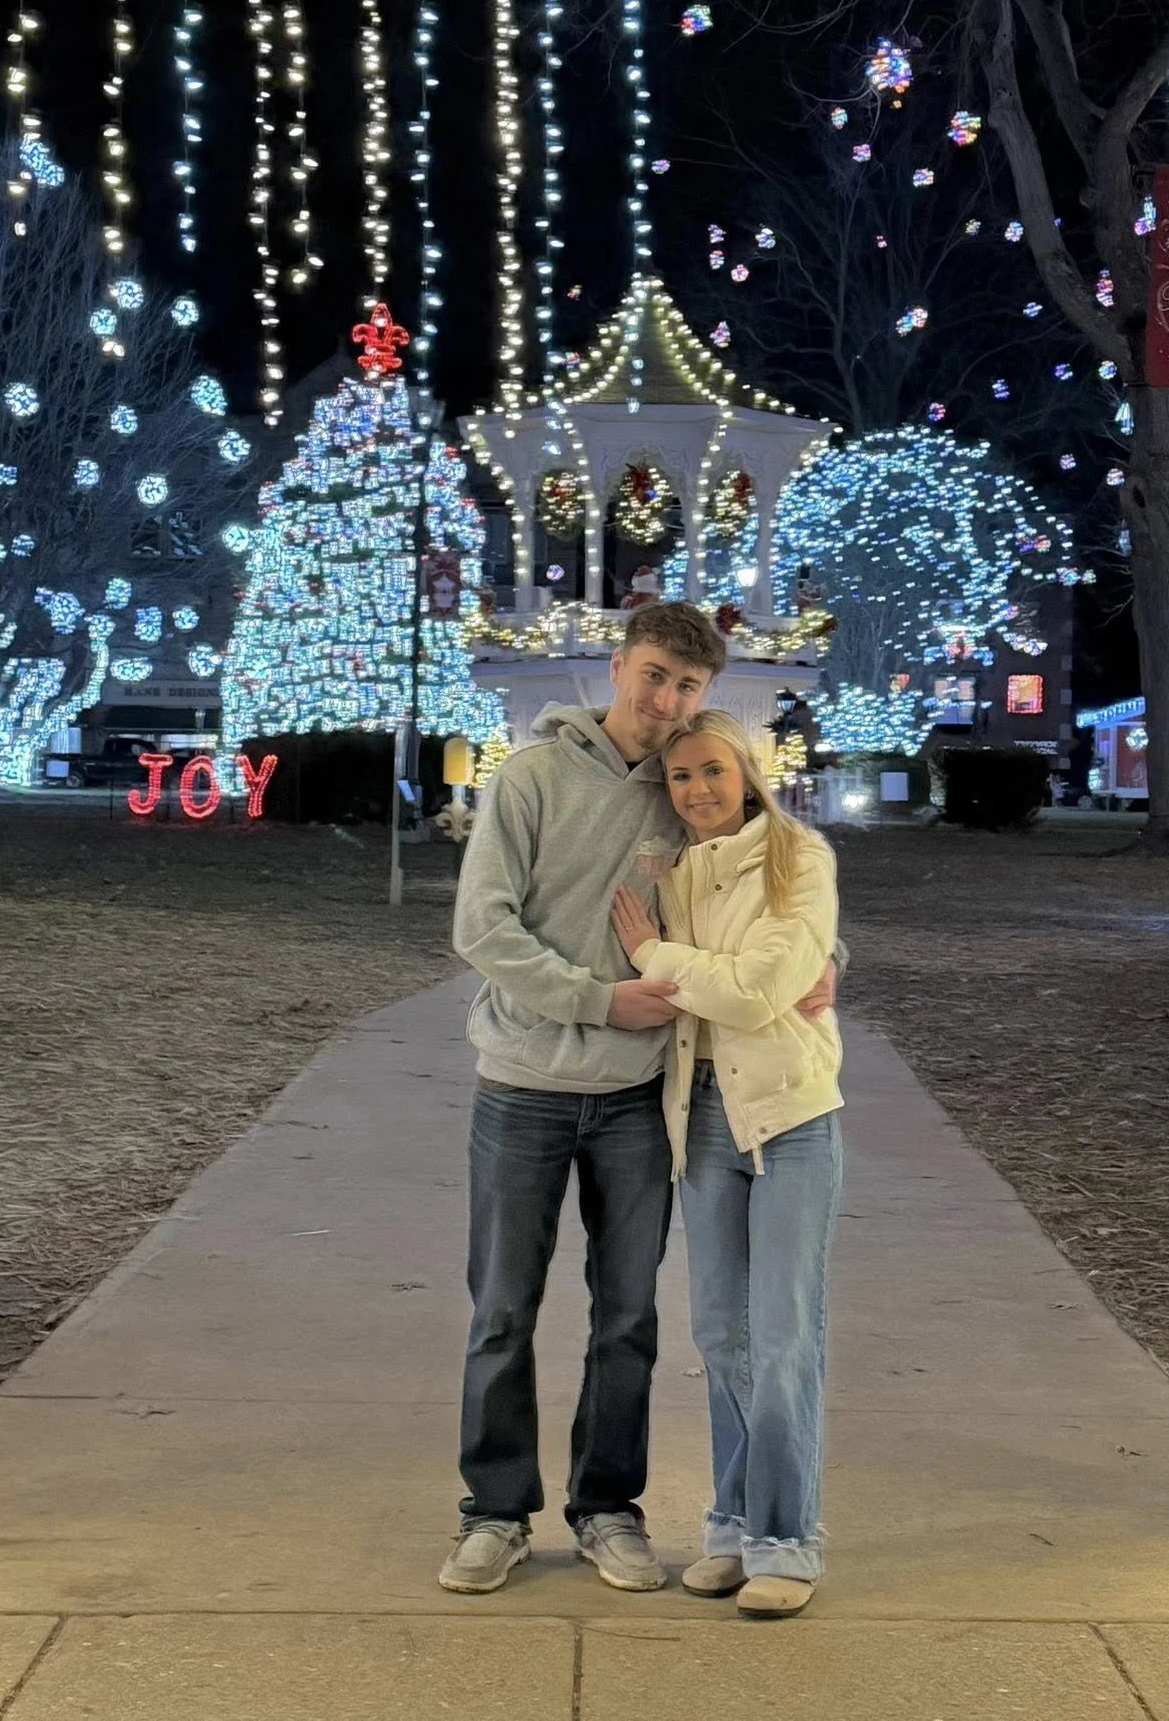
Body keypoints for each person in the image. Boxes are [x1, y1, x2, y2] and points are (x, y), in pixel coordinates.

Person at [439, 602, 725, 1596]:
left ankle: (609, 1507)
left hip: (638, 1100)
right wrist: (604, 998)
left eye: (687, 685)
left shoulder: (693, 790)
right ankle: (495, 1509)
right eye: (653, 674)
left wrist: (827, 957)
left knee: (629, 1313)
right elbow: (483, 928)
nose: (665, 700)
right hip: (521, 1086)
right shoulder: (530, 776)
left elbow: (775, 882)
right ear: (617, 666)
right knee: (503, 1308)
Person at [609, 709, 844, 1619]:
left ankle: (789, 1541)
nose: (698, 791)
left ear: (747, 773)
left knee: (785, 1336)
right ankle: (734, 1528)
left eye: (713, 771)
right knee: (720, 1335)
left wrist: (652, 955)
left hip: (789, 1117)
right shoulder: (672, 875)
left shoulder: (799, 857)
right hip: (700, 1115)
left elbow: (755, 992)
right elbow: (737, 982)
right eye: (680, 778)